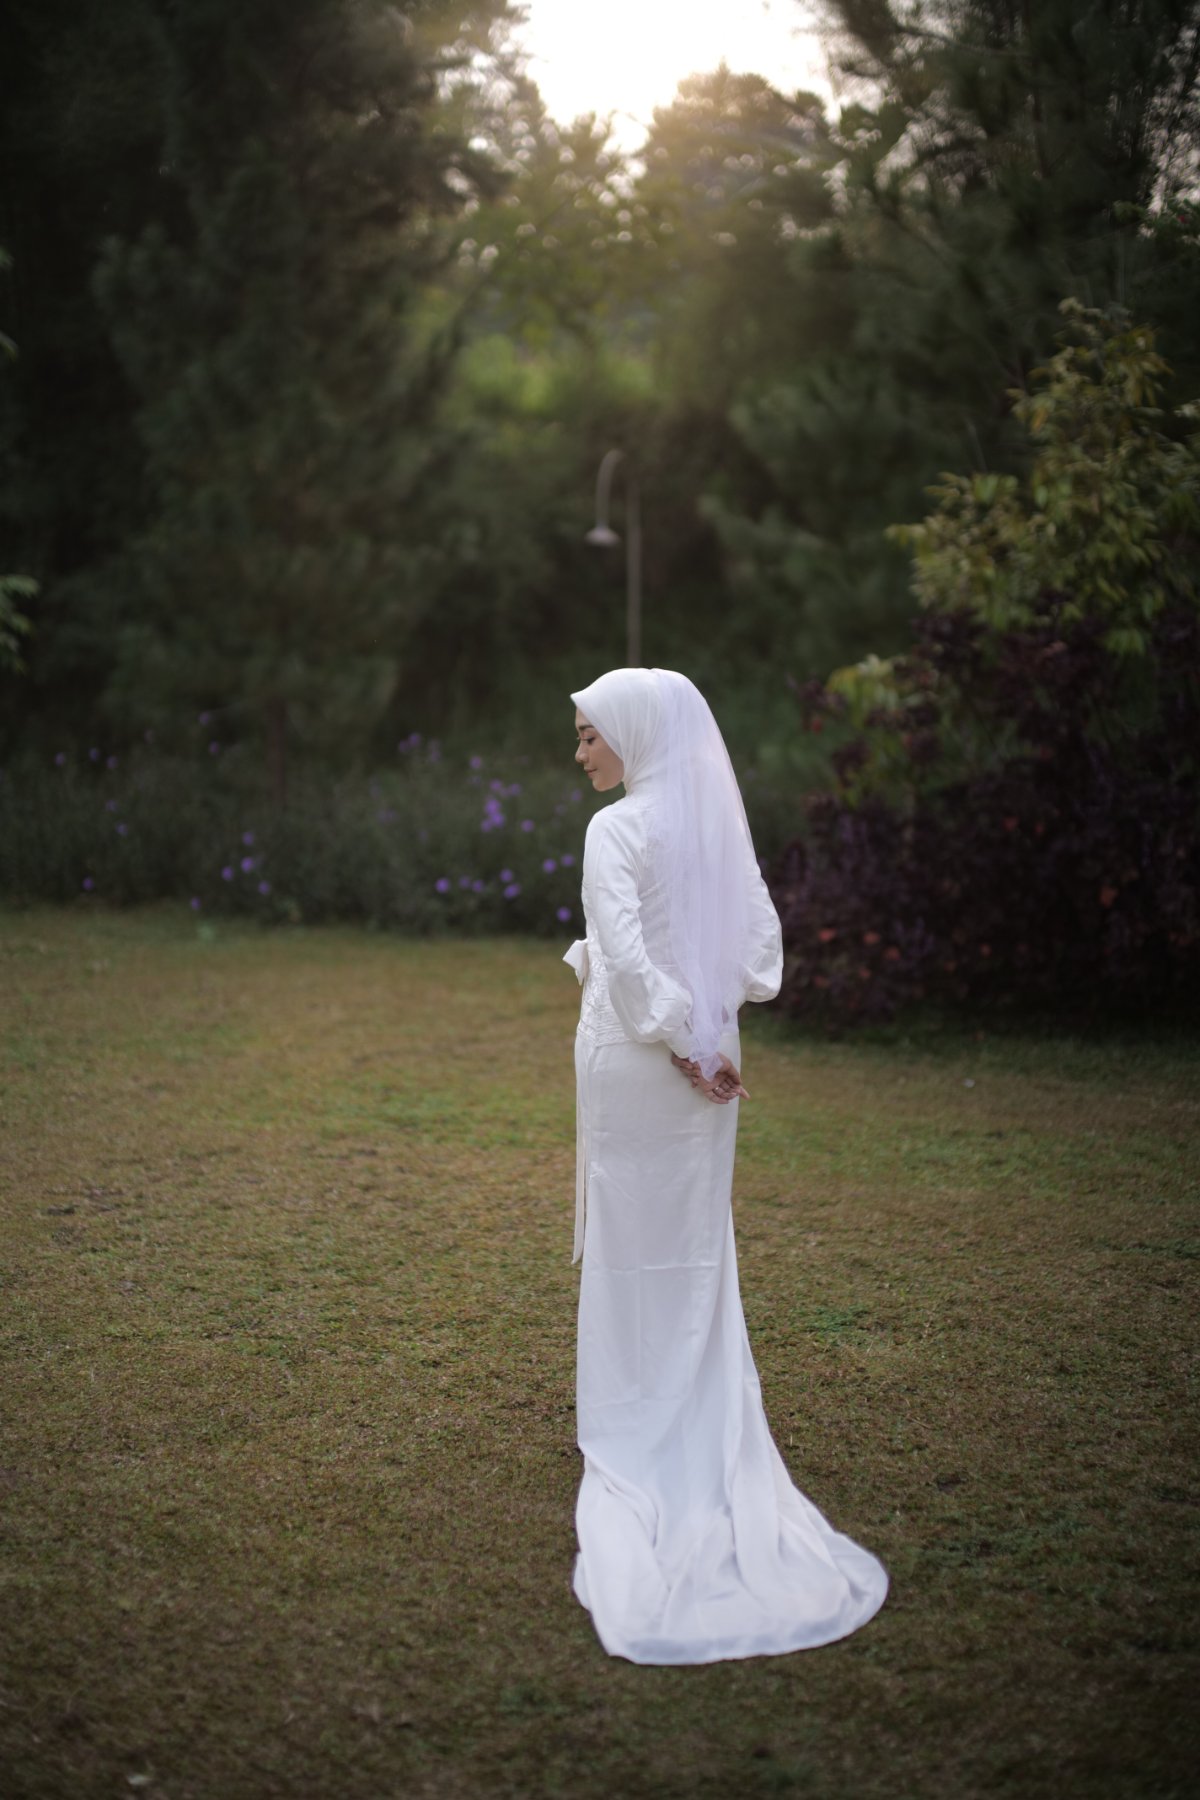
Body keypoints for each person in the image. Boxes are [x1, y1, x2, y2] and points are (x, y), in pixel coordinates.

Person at [563, 666, 888, 1665]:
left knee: (639, 1237)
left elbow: (626, 963)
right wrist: (707, 1031)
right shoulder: (713, 826)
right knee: (691, 1240)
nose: (580, 752)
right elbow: (759, 957)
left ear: (635, 733)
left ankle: (635, 1419)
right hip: (707, 1052)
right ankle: (686, 1408)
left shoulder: (615, 831)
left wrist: (679, 1036)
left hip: (642, 1056)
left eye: (589, 734)